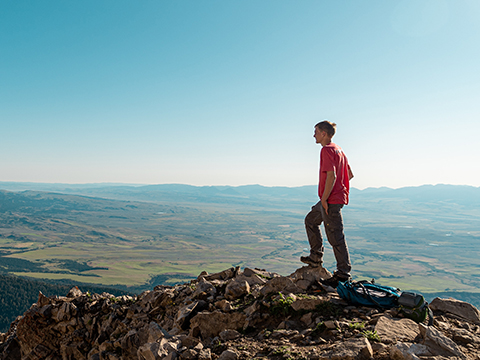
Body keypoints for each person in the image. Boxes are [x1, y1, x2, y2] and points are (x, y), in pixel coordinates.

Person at [301, 120, 354, 287]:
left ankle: (343, 274)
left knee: (335, 236)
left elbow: (332, 176)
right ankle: (315, 257)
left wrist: (325, 199)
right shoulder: (339, 150)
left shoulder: (326, 150)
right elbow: (349, 174)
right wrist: (340, 191)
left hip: (330, 200)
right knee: (311, 220)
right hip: (332, 197)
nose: (313, 135)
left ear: (323, 133)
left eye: (315, 131)